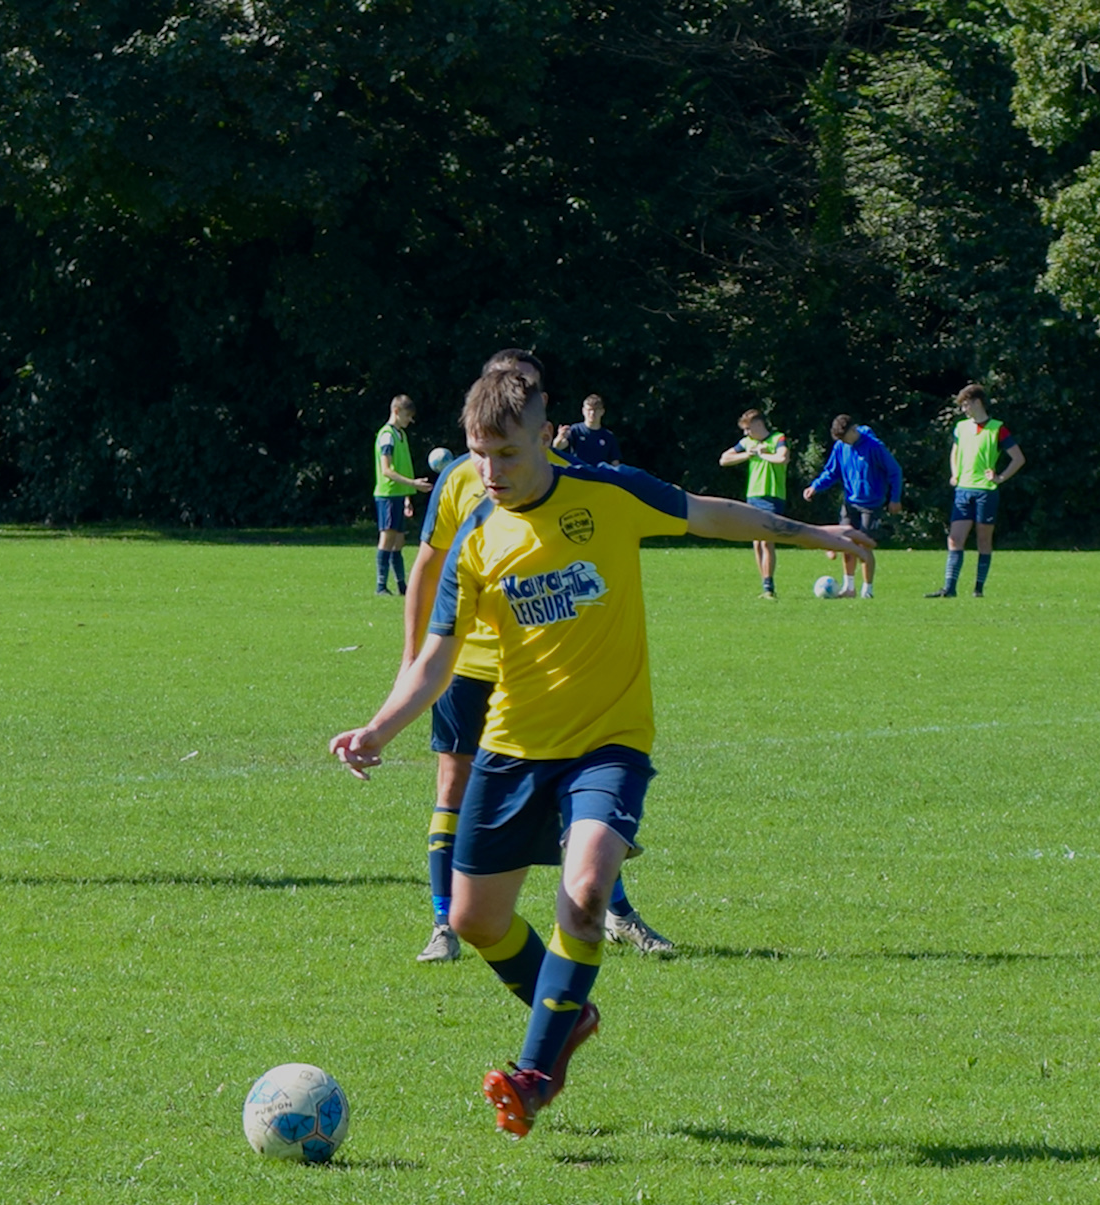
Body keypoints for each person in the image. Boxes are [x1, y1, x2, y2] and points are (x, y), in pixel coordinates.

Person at [335, 366, 870, 1135]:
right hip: (513, 748)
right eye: (479, 456)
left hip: (607, 747)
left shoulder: (609, 494)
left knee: (585, 895)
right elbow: (436, 659)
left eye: (507, 455)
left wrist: (819, 533)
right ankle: (570, 1018)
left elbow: (711, 514)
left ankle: (536, 1071)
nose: (490, 473)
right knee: (476, 919)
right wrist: (379, 728)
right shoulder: (477, 540)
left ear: (546, 434)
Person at [402, 349, 675, 962]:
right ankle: (446, 922)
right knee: (453, 785)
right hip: (468, 665)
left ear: (540, 409)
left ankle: (613, 912)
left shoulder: (564, 473)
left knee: (576, 800)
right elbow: (427, 567)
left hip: (545, 673)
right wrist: (409, 657)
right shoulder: (461, 479)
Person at [928, 384, 1023, 598]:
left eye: (966, 404)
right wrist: (955, 474)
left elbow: (1018, 458)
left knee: (983, 540)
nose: (964, 409)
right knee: (955, 538)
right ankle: (949, 588)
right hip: (963, 490)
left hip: (986, 492)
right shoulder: (961, 428)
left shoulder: (998, 428)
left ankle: (978, 589)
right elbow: (955, 452)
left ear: (978, 402)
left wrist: (1000, 477)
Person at [802, 414, 903, 597]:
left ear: (853, 430)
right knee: (846, 544)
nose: (843, 442)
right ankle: (849, 588)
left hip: (871, 505)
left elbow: (895, 471)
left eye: (844, 437)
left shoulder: (875, 447)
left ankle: (867, 590)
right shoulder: (841, 446)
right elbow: (831, 472)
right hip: (850, 503)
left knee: (864, 547)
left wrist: (894, 498)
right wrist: (815, 486)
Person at [719, 409, 790, 597]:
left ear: (759, 425)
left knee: (767, 541)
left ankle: (769, 587)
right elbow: (724, 459)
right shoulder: (747, 443)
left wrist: (763, 454)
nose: (746, 433)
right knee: (757, 543)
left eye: (748, 429)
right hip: (753, 496)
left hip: (772, 495)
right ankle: (765, 585)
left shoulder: (777, 438)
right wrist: (748, 455)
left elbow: (783, 457)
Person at [373, 396, 429, 595]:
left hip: (399, 495)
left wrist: (407, 498)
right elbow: (387, 470)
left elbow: (403, 467)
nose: (409, 420)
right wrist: (413, 484)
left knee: (399, 542)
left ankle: (401, 585)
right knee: (387, 538)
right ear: (396, 411)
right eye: (407, 416)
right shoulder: (387, 435)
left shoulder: (401, 435)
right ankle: (380, 586)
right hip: (387, 494)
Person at [554, 394, 621, 466]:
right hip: (578, 474)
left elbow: (615, 463)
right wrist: (560, 436)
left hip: (599, 476)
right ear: (583, 411)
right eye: (589, 410)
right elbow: (557, 447)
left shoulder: (608, 436)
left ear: (602, 412)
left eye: (596, 410)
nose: (592, 413)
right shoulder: (575, 430)